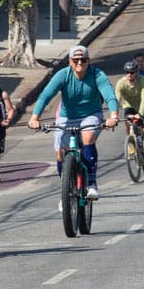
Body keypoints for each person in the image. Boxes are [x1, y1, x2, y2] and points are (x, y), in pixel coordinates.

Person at [28, 45, 119, 200]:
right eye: (75, 60)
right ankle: (66, 192)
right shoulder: (63, 75)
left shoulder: (97, 75)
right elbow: (46, 95)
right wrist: (34, 117)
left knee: (87, 136)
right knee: (60, 152)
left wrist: (114, 116)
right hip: (67, 116)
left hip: (91, 114)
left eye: (83, 60)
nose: (79, 63)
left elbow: (109, 95)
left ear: (88, 61)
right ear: (70, 61)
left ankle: (91, 183)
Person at [116, 59, 144, 174]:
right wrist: (114, 115)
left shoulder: (143, 80)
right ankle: (131, 142)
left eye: (132, 72)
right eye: (127, 72)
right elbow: (116, 99)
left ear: (137, 72)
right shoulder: (121, 83)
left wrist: (141, 114)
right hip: (129, 106)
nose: (129, 75)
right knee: (128, 122)